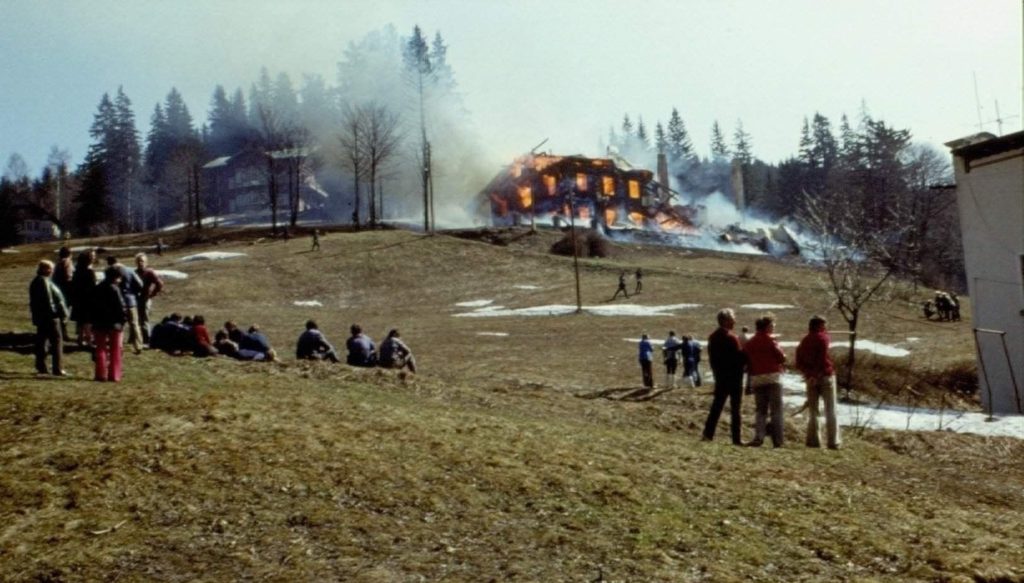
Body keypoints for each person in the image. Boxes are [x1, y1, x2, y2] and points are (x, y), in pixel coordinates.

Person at [701, 308, 746, 445]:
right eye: (732, 318)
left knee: (717, 406)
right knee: (735, 409)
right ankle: (736, 439)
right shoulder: (731, 338)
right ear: (726, 320)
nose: (735, 321)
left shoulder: (713, 337)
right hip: (734, 377)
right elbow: (739, 358)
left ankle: (708, 434)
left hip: (720, 377)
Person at [796, 315, 841, 450]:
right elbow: (821, 359)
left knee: (813, 410)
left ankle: (813, 440)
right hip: (825, 376)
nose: (825, 327)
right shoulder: (823, 338)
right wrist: (816, 375)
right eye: (823, 325)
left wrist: (808, 374)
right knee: (830, 409)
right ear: (819, 326)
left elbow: (799, 361)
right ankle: (833, 442)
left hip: (810, 378)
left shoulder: (805, 340)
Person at [743, 314, 786, 448]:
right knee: (776, 411)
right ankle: (778, 440)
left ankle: (758, 437)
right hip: (773, 377)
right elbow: (781, 357)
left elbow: (746, 359)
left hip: (757, 378)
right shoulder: (770, 341)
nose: (773, 328)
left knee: (760, 410)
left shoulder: (750, 342)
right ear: (767, 327)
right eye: (772, 326)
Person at [28, 260, 69, 376]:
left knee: (42, 341)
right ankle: (58, 368)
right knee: (56, 341)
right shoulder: (43, 281)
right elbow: (49, 300)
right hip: (50, 317)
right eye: (50, 268)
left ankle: (41, 366)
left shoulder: (36, 281)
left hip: (41, 317)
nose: (52, 271)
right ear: (45, 269)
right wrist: (56, 314)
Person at [91, 266, 127, 382]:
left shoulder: (97, 287)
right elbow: (121, 307)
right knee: (115, 350)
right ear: (116, 277)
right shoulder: (115, 289)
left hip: (99, 322)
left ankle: (100, 374)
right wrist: (123, 321)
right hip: (114, 323)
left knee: (100, 348)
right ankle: (114, 375)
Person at [106, 256, 144, 354]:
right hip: (131, 300)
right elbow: (140, 284)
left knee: (119, 324)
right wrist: (133, 293)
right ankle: (138, 345)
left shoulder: (110, 271)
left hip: (117, 301)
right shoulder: (130, 271)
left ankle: (119, 345)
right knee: (135, 324)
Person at [69, 249, 97, 347]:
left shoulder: (77, 270)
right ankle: (89, 340)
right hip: (87, 299)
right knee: (88, 321)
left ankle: (80, 339)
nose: (94, 258)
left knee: (80, 321)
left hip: (78, 298)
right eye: (92, 256)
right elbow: (93, 286)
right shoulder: (89, 271)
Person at [135, 253, 164, 345]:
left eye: (142, 261)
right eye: (138, 261)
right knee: (137, 319)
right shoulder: (135, 272)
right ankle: (137, 339)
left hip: (145, 298)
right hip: (136, 299)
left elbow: (159, 283)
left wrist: (152, 294)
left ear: (146, 262)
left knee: (144, 319)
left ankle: (147, 340)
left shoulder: (149, 272)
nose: (140, 263)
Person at [54, 246, 74, 341]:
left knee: (60, 311)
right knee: (65, 312)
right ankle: (63, 333)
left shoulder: (58, 263)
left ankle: (60, 331)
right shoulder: (67, 263)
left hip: (58, 289)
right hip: (66, 290)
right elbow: (68, 276)